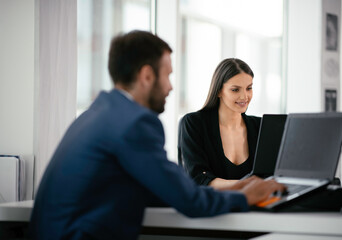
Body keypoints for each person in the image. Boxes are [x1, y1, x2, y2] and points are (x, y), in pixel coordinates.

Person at [29, 31, 284, 240]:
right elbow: (189, 199)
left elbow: (163, 188)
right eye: (168, 75)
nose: (171, 86)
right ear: (147, 76)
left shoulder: (98, 113)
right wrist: (245, 195)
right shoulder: (134, 123)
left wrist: (239, 185)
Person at [178, 58, 261, 191]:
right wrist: (244, 186)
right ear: (218, 91)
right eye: (235, 90)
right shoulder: (193, 124)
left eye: (249, 88)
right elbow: (197, 178)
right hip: (211, 209)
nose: (244, 96)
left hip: (257, 209)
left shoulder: (260, 127)